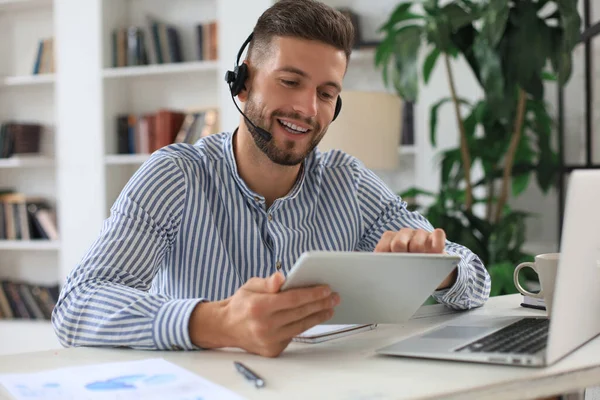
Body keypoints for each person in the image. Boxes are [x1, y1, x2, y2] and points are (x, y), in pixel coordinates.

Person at [51, 0, 491, 358]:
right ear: (243, 83)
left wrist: (435, 271)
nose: (307, 108)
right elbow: (77, 305)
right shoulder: (176, 174)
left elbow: (475, 278)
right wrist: (218, 322)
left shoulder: (349, 182)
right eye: (289, 81)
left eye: (325, 93)